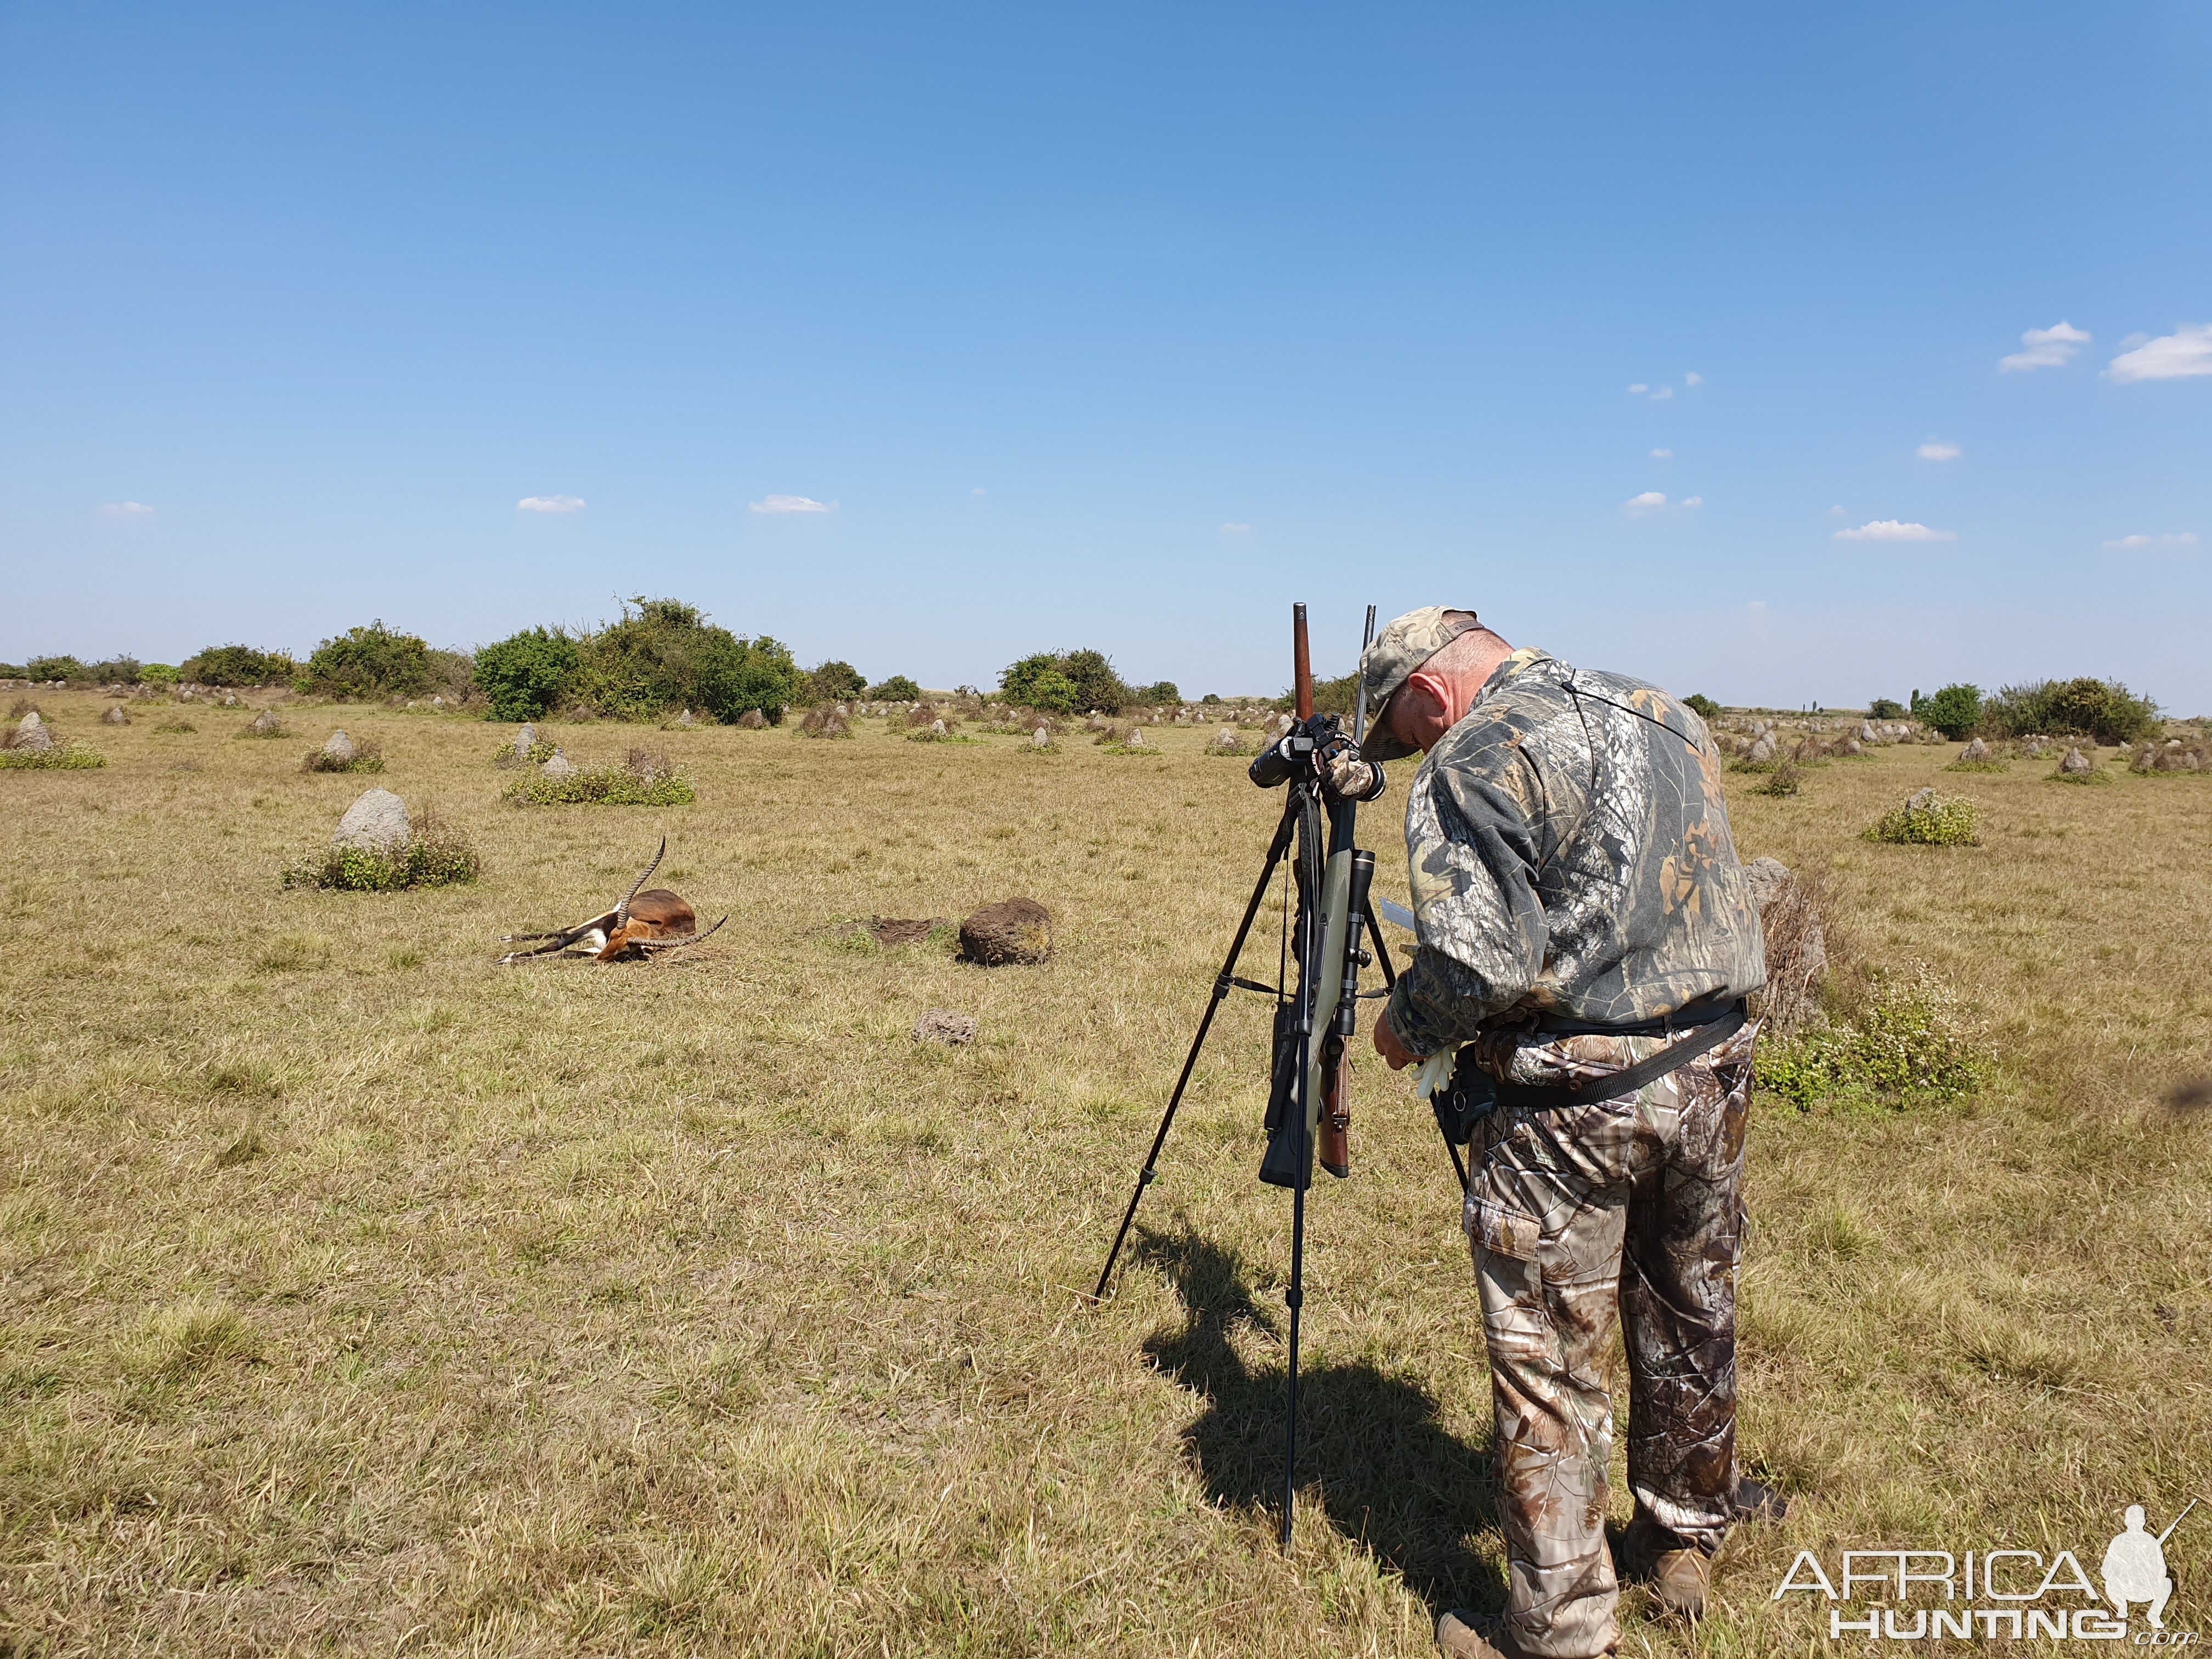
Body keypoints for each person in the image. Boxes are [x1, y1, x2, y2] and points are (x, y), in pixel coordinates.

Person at [1354, 608, 1774, 1659]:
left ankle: (1559, 1630)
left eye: (1402, 729)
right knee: (1691, 1306)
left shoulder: (1475, 751)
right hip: (1714, 1070)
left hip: (1569, 1106)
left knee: (1547, 1357)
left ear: (1429, 692)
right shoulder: (1666, 711)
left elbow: (1476, 963)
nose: (1409, 748)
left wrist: (1402, 1029)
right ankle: (1683, 1536)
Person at [2101, 1506, 2173, 1630]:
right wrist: (2120, 1571)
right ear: (2126, 1522)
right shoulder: (2119, 1541)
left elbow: (2162, 1567)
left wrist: (2150, 1572)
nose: (2135, 1524)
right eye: (2132, 1520)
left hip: (2147, 1589)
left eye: (2138, 1520)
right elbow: (2106, 1569)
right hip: (2124, 1589)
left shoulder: (2151, 1541)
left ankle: (2154, 1614)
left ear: (2144, 1522)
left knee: (2167, 1583)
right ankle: (2122, 1605)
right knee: (2110, 1583)